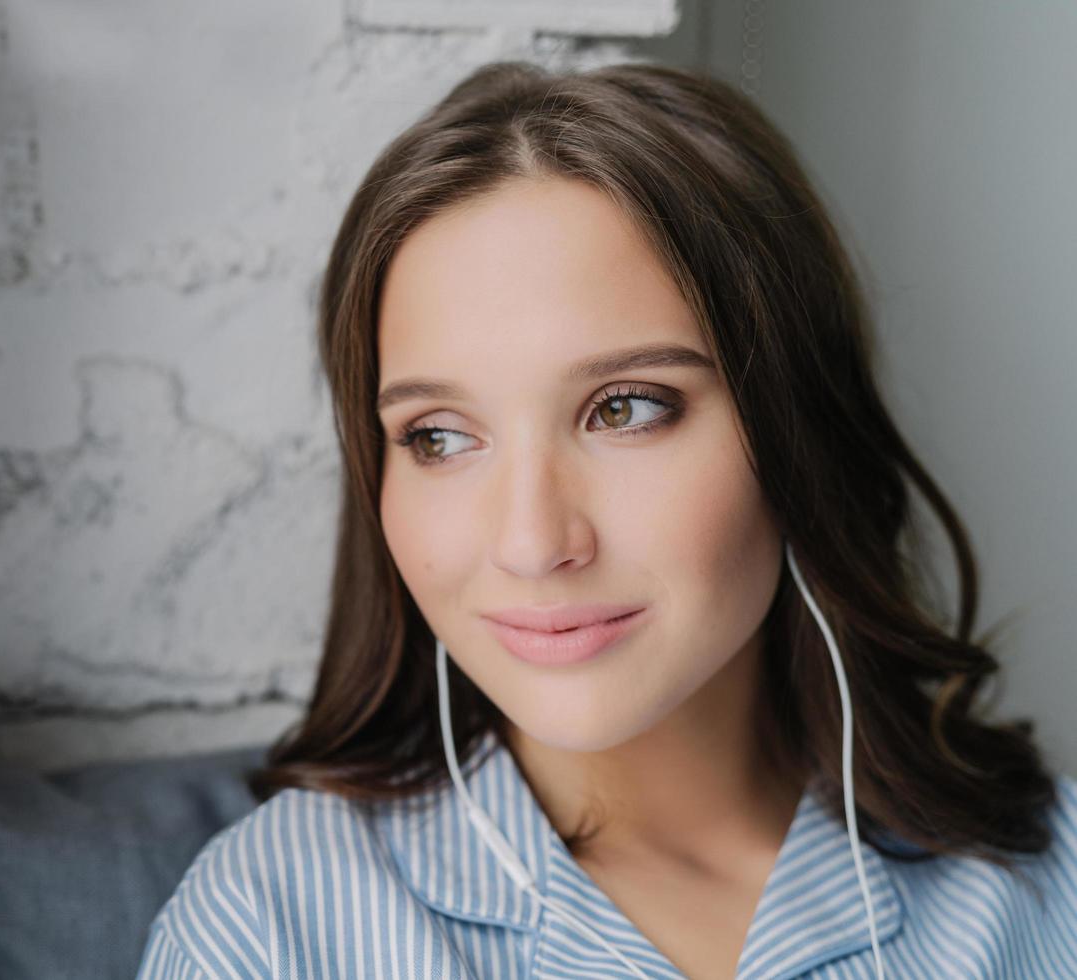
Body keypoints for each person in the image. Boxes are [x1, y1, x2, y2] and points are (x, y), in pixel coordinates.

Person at [135, 59, 1077, 979]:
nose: (533, 544)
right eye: (438, 436)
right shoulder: (271, 931)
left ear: (798, 432)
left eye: (624, 408)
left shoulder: (1048, 886)